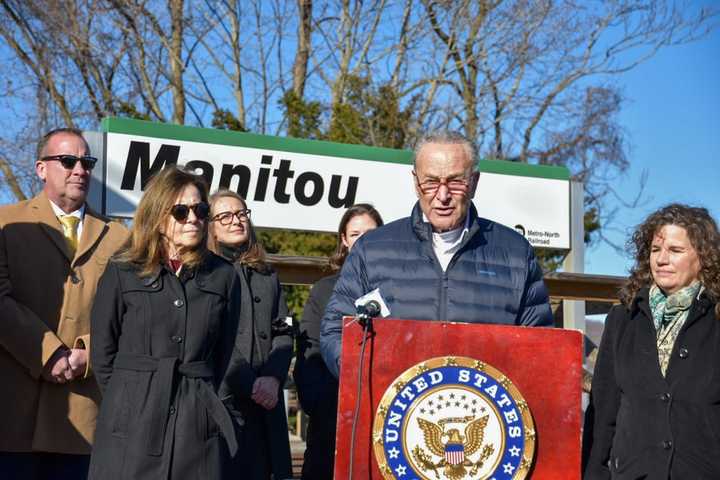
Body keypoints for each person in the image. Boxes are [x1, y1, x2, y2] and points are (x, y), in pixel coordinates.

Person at [320, 130, 553, 378]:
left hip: (487, 411)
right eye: (431, 182)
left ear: (473, 183)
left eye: (455, 181)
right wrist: (371, 378)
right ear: (415, 182)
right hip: (391, 411)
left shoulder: (515, 253)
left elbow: (540, 346)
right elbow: (336, 330)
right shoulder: (372, 249)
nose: (442, 196)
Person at [88, 167, 243, 480]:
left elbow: (225, 354)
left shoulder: (224, 276)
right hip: (131, 425)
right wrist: (130, 397)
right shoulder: (123, 269)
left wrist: (204, 405)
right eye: (181, 211)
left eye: (201, 210)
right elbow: (103, 352)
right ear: (158, 216)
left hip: (196, 425)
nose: (193, 219)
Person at [0, 128, 128, 479]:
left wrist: (90, 352)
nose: (80, 170)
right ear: (41, 168)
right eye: (68, 161)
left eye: (87, 162)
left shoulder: (119, 237)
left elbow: (130, 314)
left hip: (86, 417)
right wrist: (48, 353)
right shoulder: (6, 223)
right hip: (13, 418)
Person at [583, 204, 720, 479]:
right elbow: (604, 412)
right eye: (656, 250)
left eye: (676, 250)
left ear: (704, 258)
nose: (661, 259)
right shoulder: (623, 318)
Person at [207, 190, 293, 479]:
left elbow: (284, 330)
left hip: (267, 405)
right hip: (226, 404)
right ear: (212, 228)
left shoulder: (268, 275)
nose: (236, 221)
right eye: (225, 216)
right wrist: (250, 383)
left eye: (241, 213)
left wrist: (272, 377)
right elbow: (211, 338)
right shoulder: (205, 274)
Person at [294, 203, 384, 480]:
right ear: (344, 240)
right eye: (356, 234)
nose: (363, 241)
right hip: (332, 423)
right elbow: (310, 350)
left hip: (385, 421)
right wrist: (327, 407)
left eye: (371, 233)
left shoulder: (399, 290)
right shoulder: (324, 291)